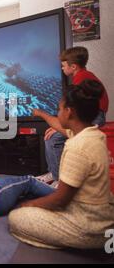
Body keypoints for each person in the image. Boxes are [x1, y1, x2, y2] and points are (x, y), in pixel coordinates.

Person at [8, 80, 114, 249]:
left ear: (69, 112)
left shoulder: (77, 147)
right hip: (102, 214)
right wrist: (41, 114)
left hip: (87, 225)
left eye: (59, 109)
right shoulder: (93, 135)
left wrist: (31, 204)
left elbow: (60, 200)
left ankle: (82, 243)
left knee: (16, 217)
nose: (57, 113)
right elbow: (58, 125)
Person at [42, 46, 109, 182]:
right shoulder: (85, 75)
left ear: (73, 67)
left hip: (95, 117)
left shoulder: (81, 79)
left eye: (63, 66)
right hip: (93, 115)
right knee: (53, 135)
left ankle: (58, 178)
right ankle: (54, 172)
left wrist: (58, 126)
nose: (62, 68)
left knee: (53, 139)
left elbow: (75, 109)